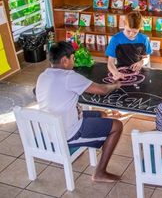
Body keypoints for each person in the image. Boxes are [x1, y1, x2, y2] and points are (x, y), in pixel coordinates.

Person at [35, 41, 123, 182]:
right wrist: (116, 85)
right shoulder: (69, 77)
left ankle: (85, 143)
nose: (73, 62)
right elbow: (102, 90)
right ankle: (100, 172)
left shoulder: (43, 75)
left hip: (50, 129)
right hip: (67, 133)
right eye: (73, 58)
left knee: (102, 115)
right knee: (117, 126)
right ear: (65, 60)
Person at [106, 11, 152, 79]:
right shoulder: (115, 39)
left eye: (135, 32)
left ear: (140, 29)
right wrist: (115, 72)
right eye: (128, 31)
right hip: (120, 70)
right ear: (124, 24)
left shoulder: (144, 39)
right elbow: (110, 62)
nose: (131, 34)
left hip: (138, 71)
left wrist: (142, 62)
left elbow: (146, 57)